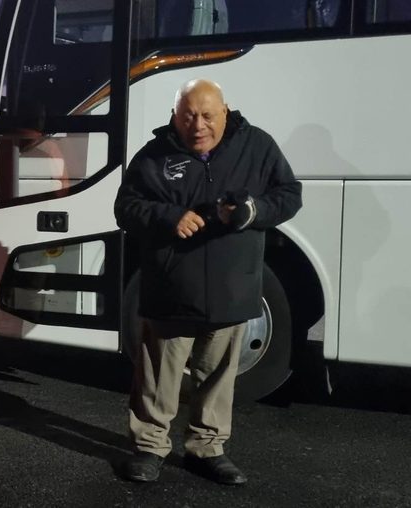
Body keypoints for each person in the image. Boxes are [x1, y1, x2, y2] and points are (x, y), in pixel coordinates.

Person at [114, 79, 302, 484]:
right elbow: (126, 208)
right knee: (157, 378)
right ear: (174, 116)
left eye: (207, 115)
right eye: (187, 117)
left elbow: (289, 194)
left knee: (217, 378)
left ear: (225, 112)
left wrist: (253, 211)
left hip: (231, 288)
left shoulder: (257, 145)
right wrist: (169, 217)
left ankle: (207, 448)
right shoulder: (153, 155)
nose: (197, 125)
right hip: (171, 291)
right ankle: (149, 448)